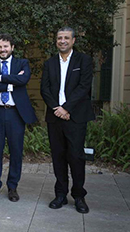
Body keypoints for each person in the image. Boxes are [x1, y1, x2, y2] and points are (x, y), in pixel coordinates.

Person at [40, 27, 95, 214]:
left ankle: (79, 195)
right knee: (58, 156)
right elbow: (44, 89)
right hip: (55, 117)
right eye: (59, 38)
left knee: (76, 157)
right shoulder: (49, 63)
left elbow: (84, 87)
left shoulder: (84, 61)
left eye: (66, 38)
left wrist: (67, 108)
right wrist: (58, 109)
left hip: (75, 117)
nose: (62, 41)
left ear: (73, 41)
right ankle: (60, 194)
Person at [0, 34, 37, 202]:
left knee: (16, 152)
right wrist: (12, 83)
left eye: (5, 46)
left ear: (12, 47)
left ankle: (13, 187)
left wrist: (1, 78)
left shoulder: (22, 63)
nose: (2, 50)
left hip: (16, 113)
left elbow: (24, 79)